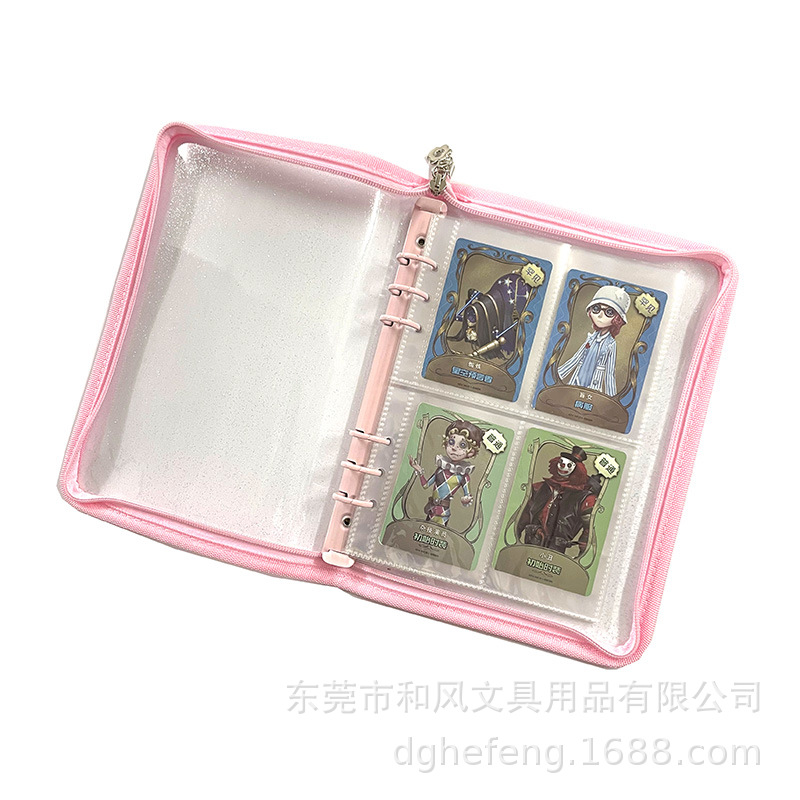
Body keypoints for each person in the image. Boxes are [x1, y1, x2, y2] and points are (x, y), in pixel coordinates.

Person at [515, 446, 600, 556]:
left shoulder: (585, 499)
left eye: (569, 465)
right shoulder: (539, 487)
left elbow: (588, 531)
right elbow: (524, 515)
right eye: (562, 463)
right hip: (529, 545)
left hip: (556, 553)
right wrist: (516, 537)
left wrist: (581, 556)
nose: (563, 467)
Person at [557, 285, 629, 396]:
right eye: (596, 309)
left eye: (609, 312)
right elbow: (576, 359)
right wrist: (558, 374)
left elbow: (609, 373)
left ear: (617, 319)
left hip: (593, 387)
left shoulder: (611, 344)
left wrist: (612, 397)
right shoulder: (590, 338)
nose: (600, 315)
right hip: (576, 381)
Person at [409, 420, 483, 526]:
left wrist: (466, 500)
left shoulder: (463, 476)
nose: (454, 448)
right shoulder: (440, 469)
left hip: (443, 513)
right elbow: (426, 485)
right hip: (431, 509)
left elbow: (467, 496)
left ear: (470, 452)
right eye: (451, 442)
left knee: (438, 531)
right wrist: (419, 471)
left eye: (462, 445)